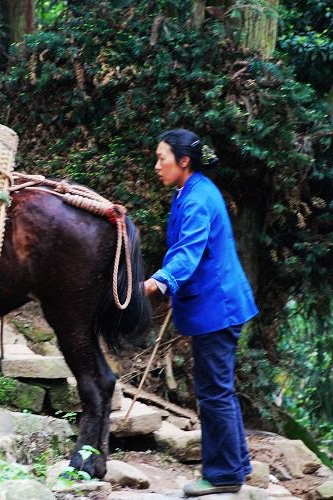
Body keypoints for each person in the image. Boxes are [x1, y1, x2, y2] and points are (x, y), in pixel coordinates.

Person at [144, 128, 258, 497]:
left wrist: (157, 282)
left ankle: (223, 474)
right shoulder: (190, 191)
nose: (157, 165)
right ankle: (237, 464)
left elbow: (189, 252)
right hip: (216, 305)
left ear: (184, 161)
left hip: (218, 307)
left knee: (213, 392)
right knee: (218, 389)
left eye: (162, 158)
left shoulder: (197, 199)